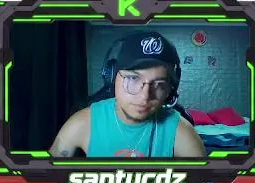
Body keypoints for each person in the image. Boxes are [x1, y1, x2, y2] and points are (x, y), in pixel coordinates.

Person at [48, 32, 204, 158]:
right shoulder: (82, 123)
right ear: (112, 78)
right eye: (133, 78)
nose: (144, 96)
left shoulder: (181, 131)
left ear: (170, 90)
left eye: (159, 84)